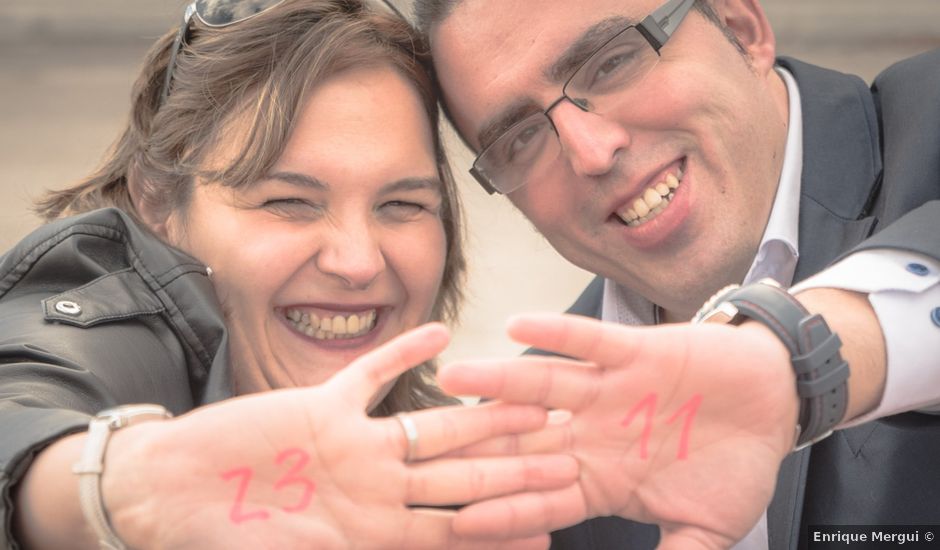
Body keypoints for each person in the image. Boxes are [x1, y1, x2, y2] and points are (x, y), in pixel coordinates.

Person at [0, 1, 580, 548]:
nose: (358, 263)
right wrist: (123, 492)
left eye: (402, 205)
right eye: (289, 202)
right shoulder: (104, 329)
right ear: (157, 202)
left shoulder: (448, 470)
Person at [413, 0, 940, 548]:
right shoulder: (531, 452)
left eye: (611, 62)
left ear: (741, 28)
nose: (591, 153)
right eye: (519, 138)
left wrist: (796, 360)